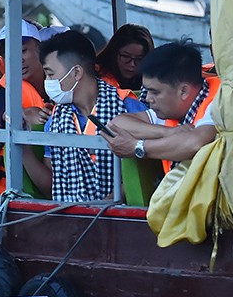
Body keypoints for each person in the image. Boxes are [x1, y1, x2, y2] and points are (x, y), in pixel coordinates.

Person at [22, 31, 147, 202]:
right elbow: (53, 187)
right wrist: (23, 150)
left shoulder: (129, 107)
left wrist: (111, 201)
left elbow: (148, 169)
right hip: (74, 218)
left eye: (50, 74)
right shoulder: (55, 121)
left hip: (122, 218)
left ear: (76, 73)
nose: (48, 81)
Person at [103, 41, 217, 171]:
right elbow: (116, 125)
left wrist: (138, 147)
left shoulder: (219, 101)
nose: (148, 98)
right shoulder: (170, 109)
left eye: (155, 92)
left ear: (183, 91)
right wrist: (168, 132)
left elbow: (195, 143)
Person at [96, 24, 154, 92]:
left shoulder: (153, 81)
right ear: (114, 52)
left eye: (139, 59)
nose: (132, 64)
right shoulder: (96, 78)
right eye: (126, 56)